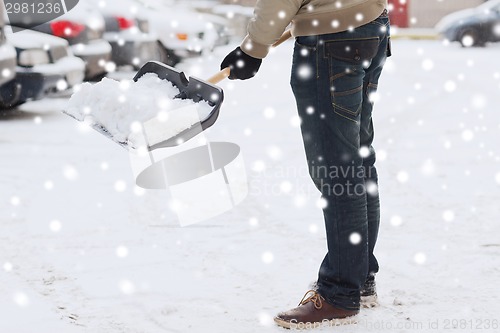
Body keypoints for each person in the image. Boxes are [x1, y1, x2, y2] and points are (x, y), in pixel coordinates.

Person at [220, 0, 391, 329]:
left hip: (334, 41)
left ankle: (340, 293)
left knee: (337, 168)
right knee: (356, 159)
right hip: (370, 27)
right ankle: (359, 276)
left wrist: (253, 48)